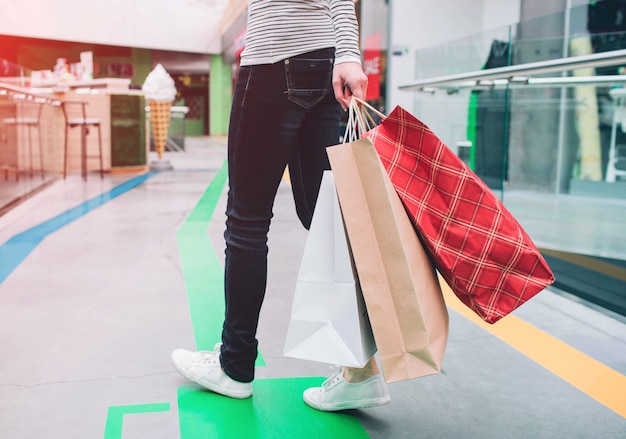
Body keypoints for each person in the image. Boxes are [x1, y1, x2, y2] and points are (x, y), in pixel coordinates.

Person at [171, 0, 390, 412]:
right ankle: (360, 371)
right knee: (327, 217)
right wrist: (346, 51)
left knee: (248, 221)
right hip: (326, 62)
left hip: (273, 56)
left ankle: (234, 366)